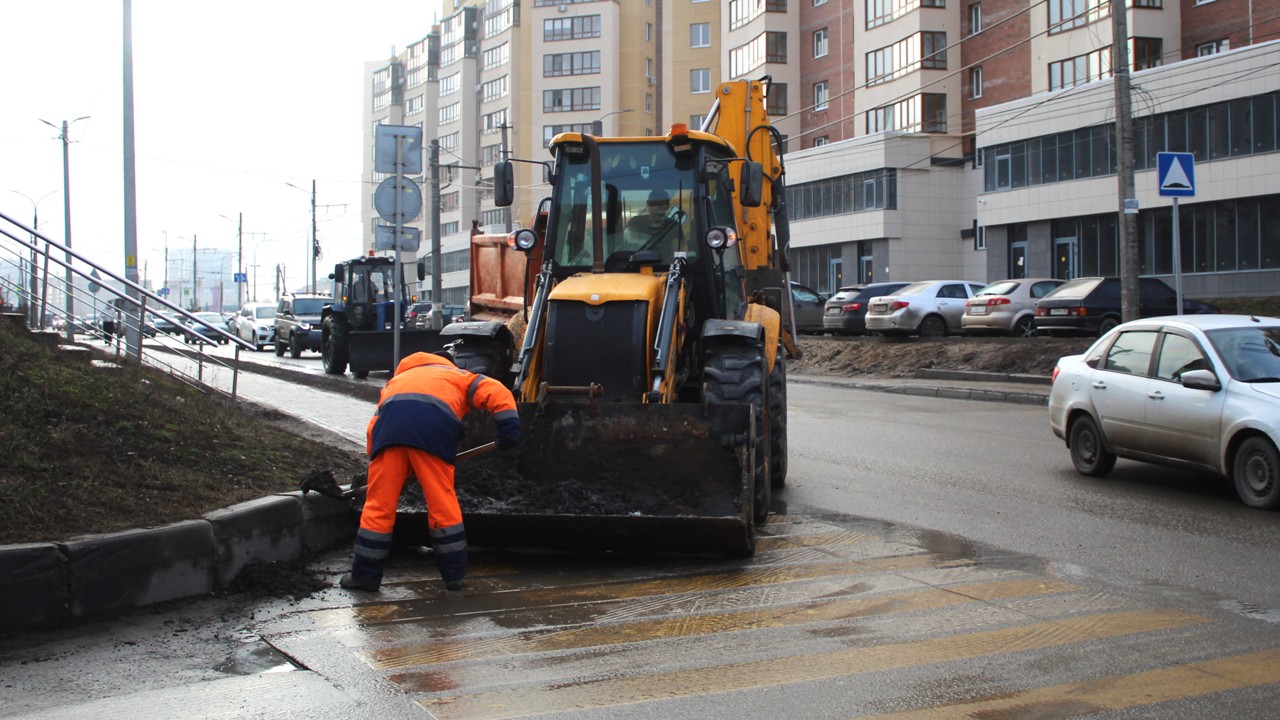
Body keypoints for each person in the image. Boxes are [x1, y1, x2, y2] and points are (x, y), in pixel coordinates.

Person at [340, 350, 521, 592]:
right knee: (441, 503)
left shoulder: (396, 381)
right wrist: (508, 429)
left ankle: (365, 577)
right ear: (449, 363)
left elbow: (375, 424)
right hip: (432, 438)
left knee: (378, 506)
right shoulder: (458, 376)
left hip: (388, 438)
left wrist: (380, 462)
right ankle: (453, 577)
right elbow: (496, 390)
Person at [624, 188, 685, 257]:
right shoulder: (636, 221)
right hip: (636, 264)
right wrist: (641, 242)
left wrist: (664, 265)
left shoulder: (674, 226)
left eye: (661, 204)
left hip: (665, 265)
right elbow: (629, 236)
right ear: (648, 204)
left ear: (667, 206)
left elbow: (677, 253)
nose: (657, 207)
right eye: (653, 203)